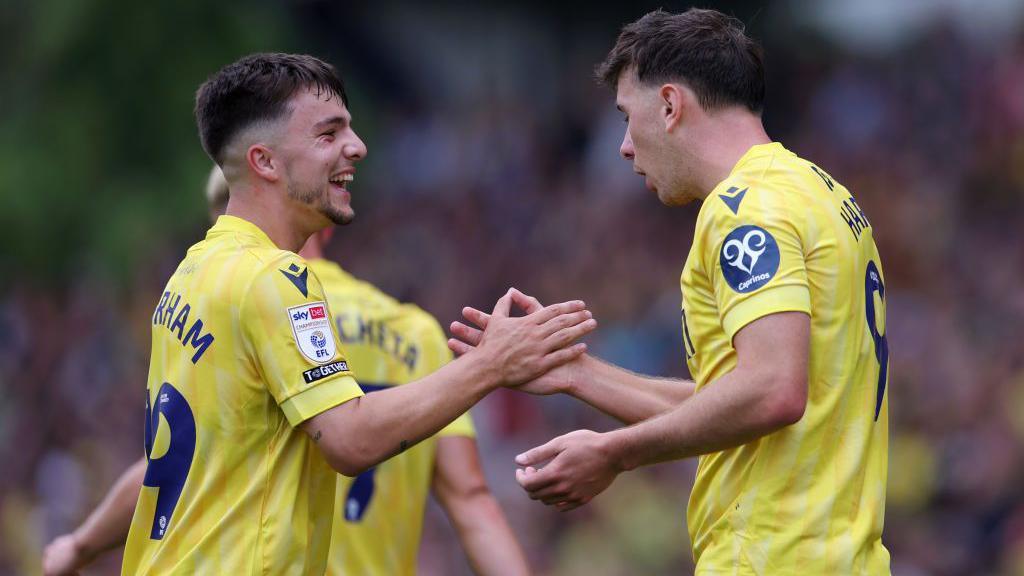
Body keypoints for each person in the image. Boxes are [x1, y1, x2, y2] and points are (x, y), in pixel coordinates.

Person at [109, 53, 593, 575]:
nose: (357, 147)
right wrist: (491, 364)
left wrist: (82, 546)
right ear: (264, 162)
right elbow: (350, 439)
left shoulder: (190, 274)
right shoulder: (274, 279)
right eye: (328, 134)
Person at [450, 9, 890, 574]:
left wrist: (615, 453)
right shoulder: (821, 195)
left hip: (772, 557)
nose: (625, 147)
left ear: (669, 105)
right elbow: (745, 397)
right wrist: (577, 373)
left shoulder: (744, 210)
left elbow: (774, 392)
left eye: (626, 119)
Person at [42, 166, 531, 575]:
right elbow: (470, 499)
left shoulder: (227, 307)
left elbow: (169, 467)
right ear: (328, 220)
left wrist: (80, 545)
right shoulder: (417, 332)